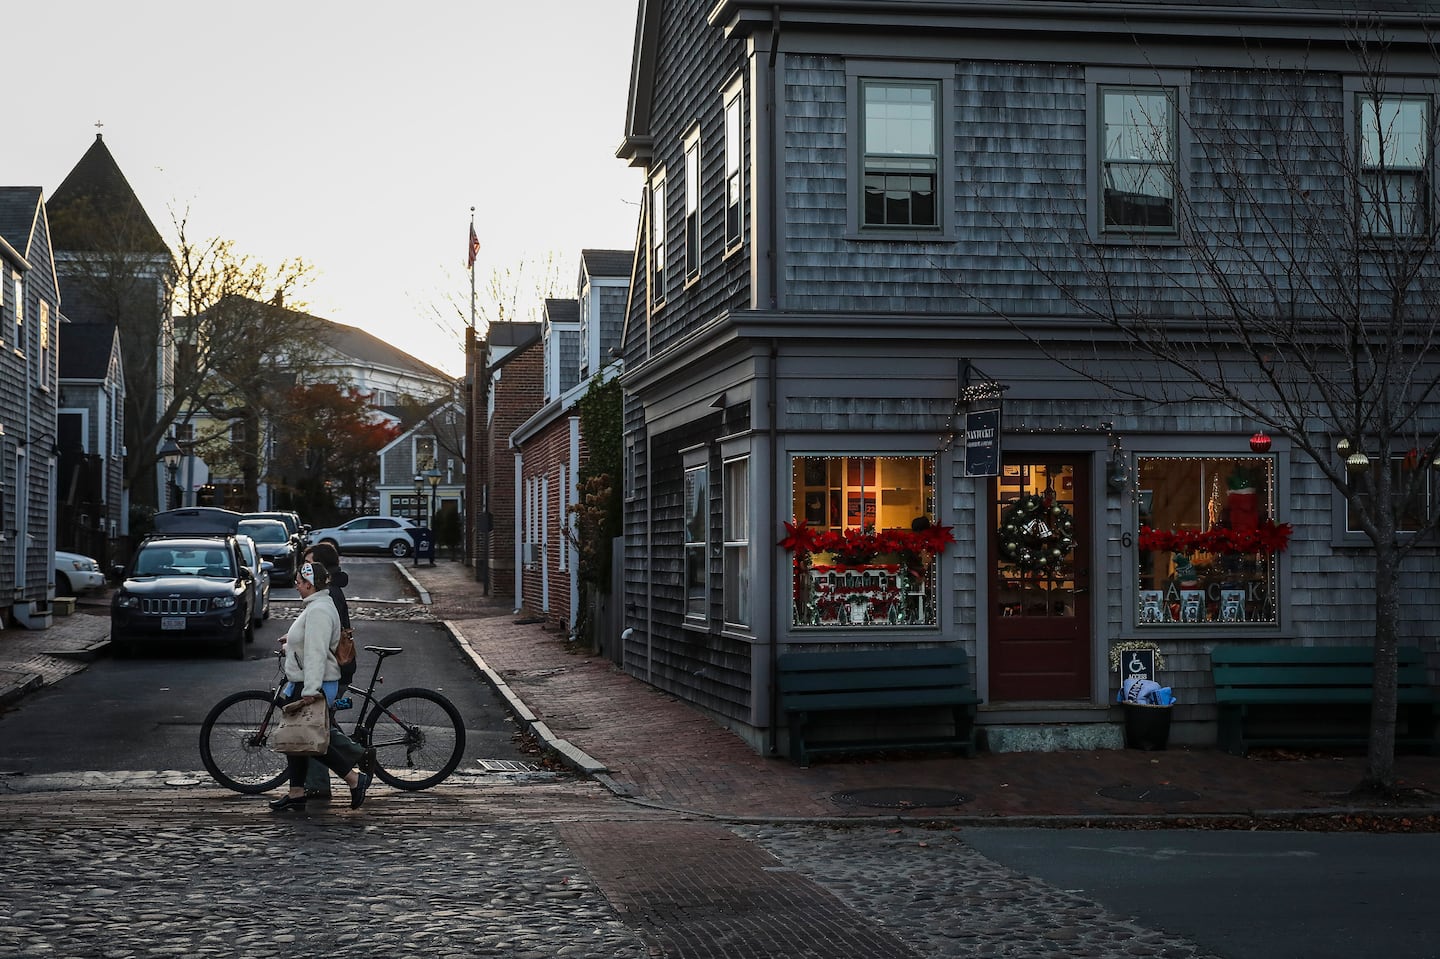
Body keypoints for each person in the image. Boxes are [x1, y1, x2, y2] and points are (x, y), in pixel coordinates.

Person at [269, 561, 372, 813]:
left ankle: (355, 779)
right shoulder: (316, 606)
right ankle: (296, 793)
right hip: (304, 680)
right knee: (299, 738)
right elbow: (309, 643)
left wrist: (310, 691)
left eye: (299, 582)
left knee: (311, 740)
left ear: (309, 584)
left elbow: (316, 652)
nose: (296, 585)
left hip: (312, 682)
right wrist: (291, 644)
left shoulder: (319, 610)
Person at [301, 541, 366, 799]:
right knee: (320, 722)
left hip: (334, 669)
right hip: (334, 668)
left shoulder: (330, 595)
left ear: (321, 568)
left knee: (314, 725)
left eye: (308, 565)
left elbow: (323, 637)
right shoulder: (327, 591)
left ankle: (353, 759)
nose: (303, 570)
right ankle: (315, 782)